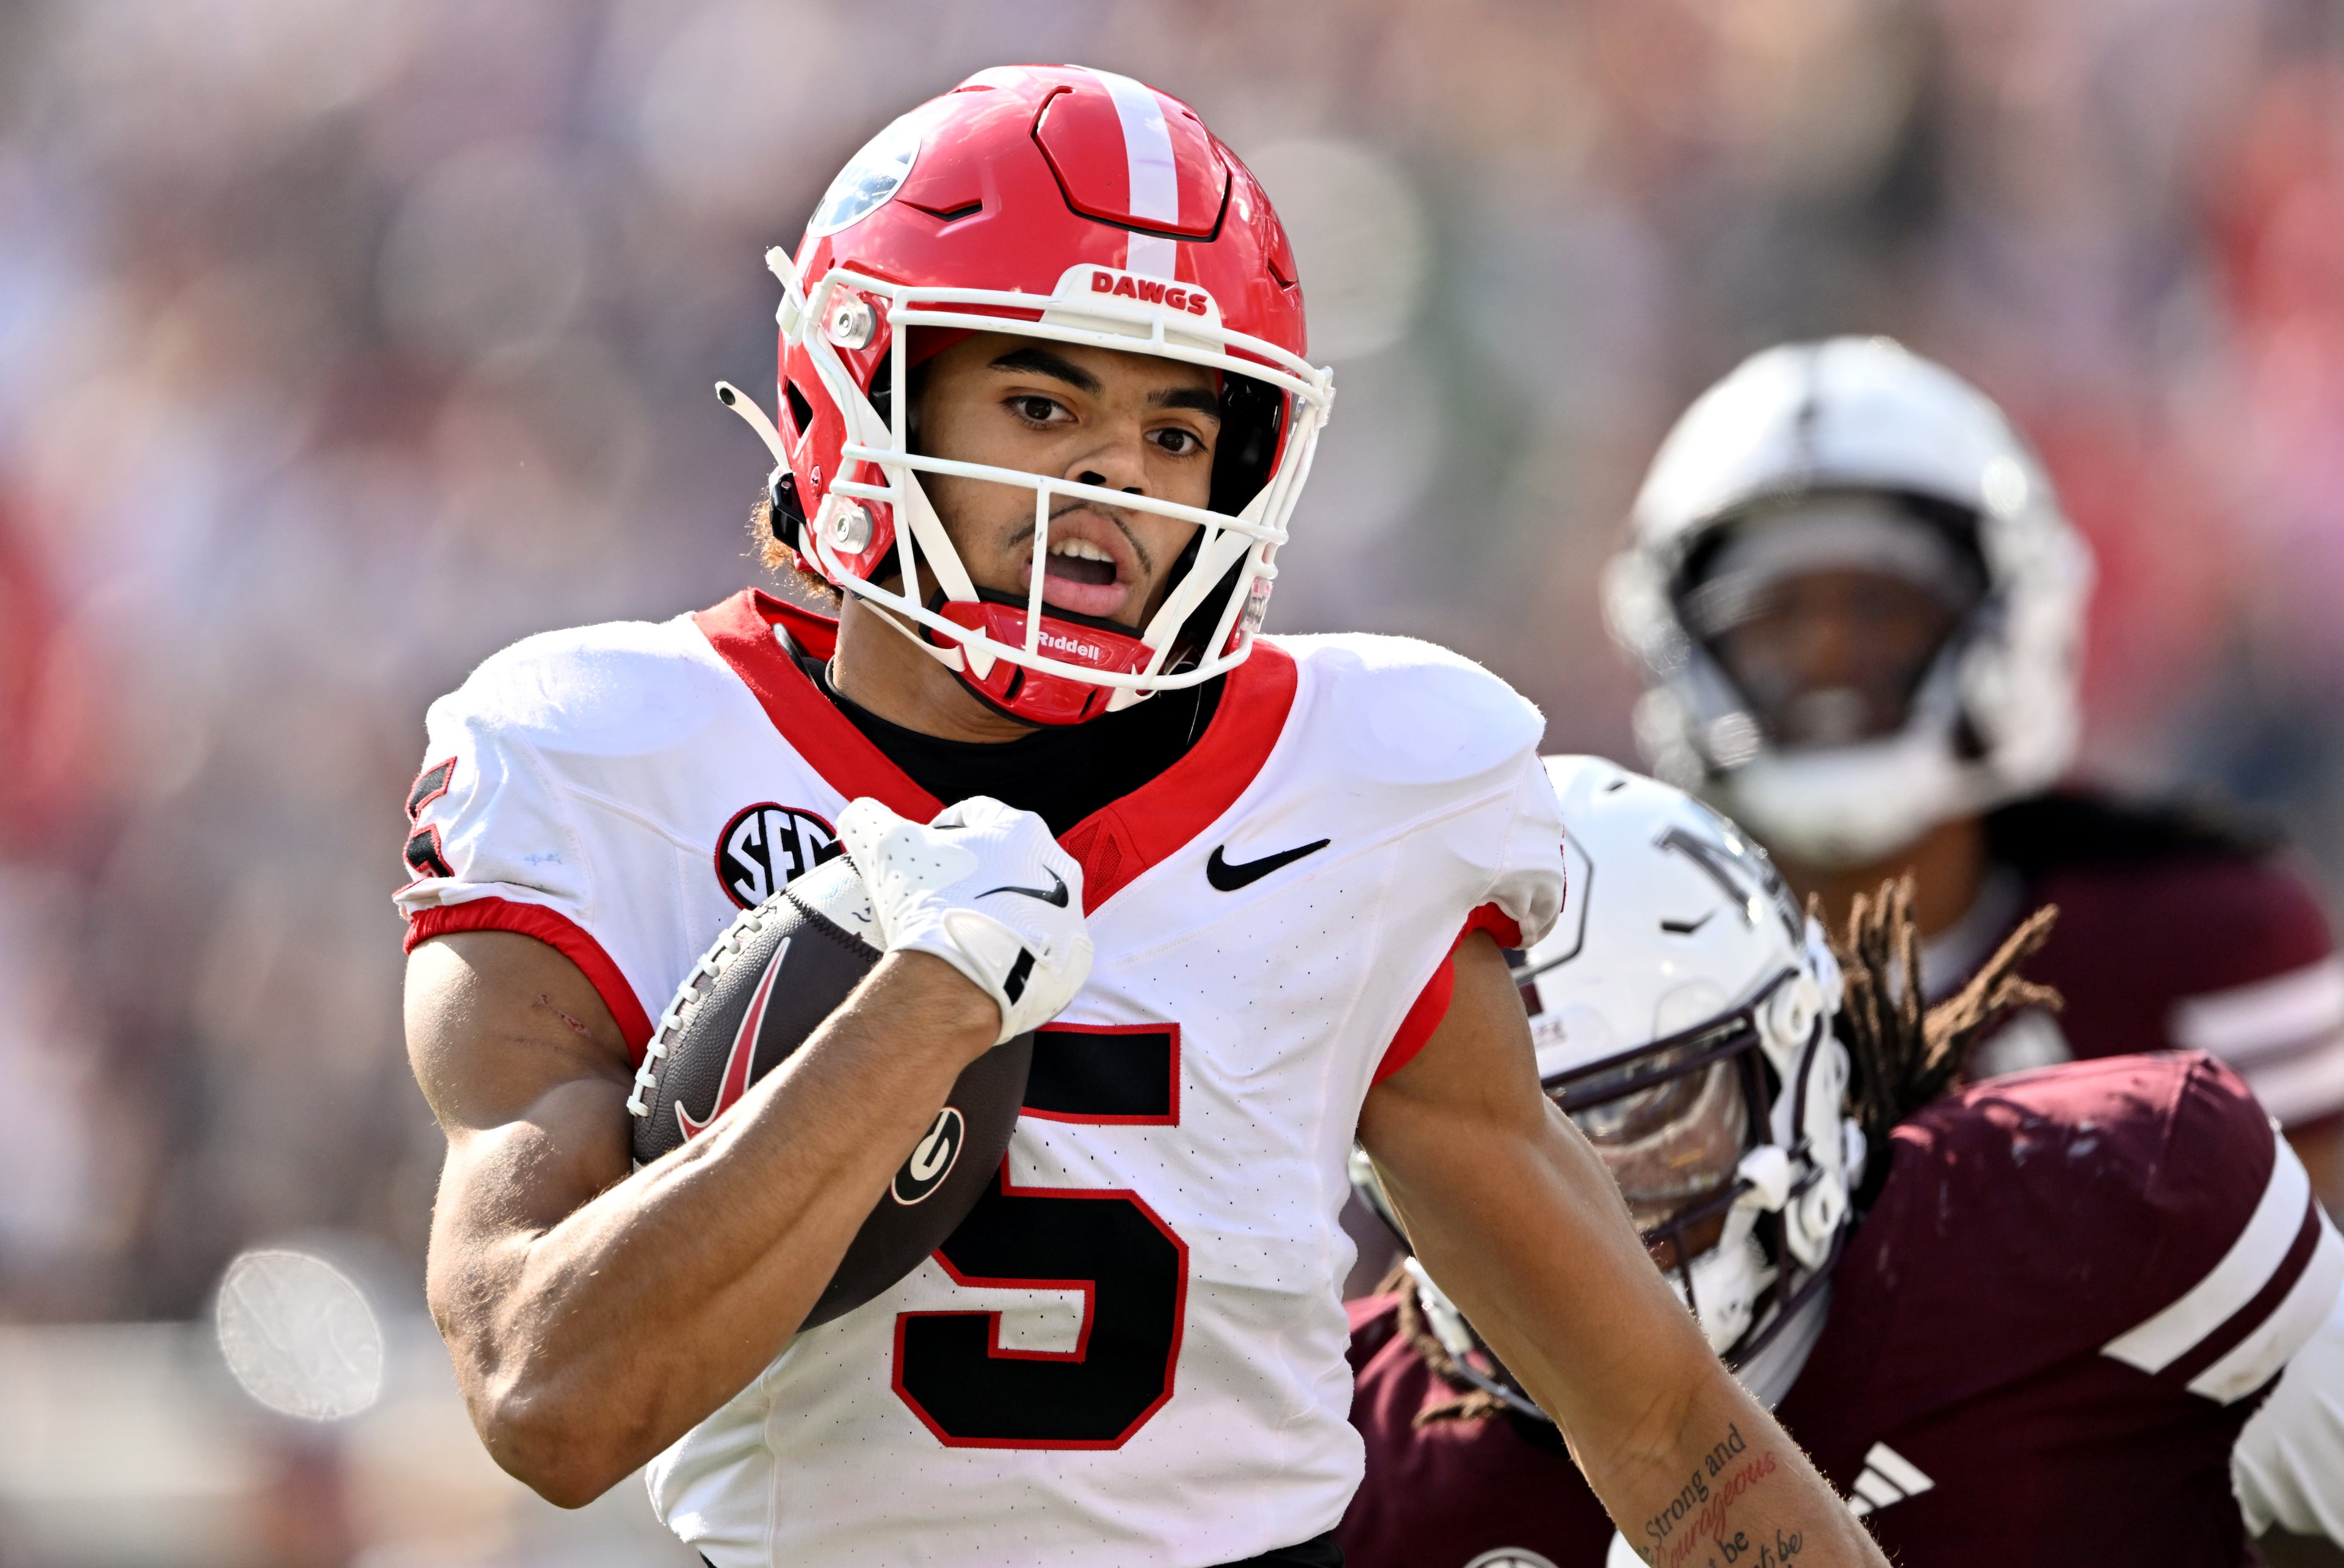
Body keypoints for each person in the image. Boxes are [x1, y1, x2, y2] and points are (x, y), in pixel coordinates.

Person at [395, 68, 1885, 1568]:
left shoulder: (1360, 784)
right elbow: (546, 1399)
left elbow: (1660, 1424)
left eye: (1177, 435)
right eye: (1042, 405)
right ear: (859, 396)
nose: (1114, 474)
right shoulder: (612, 753)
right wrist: (920, 1005)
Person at [1340, 756, 2344, 1567]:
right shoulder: (1339, 1461)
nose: (1586, 1201)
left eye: (1648, 1110)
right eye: (1505, 1136)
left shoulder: (2119, 1211)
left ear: (1800, 1059)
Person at [1602, 338, 2344, 1209]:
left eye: (1881, 609)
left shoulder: (2205, 938)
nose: (1830, 659)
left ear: (2010, 615)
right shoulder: (1612, 982)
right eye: (1776, 618)